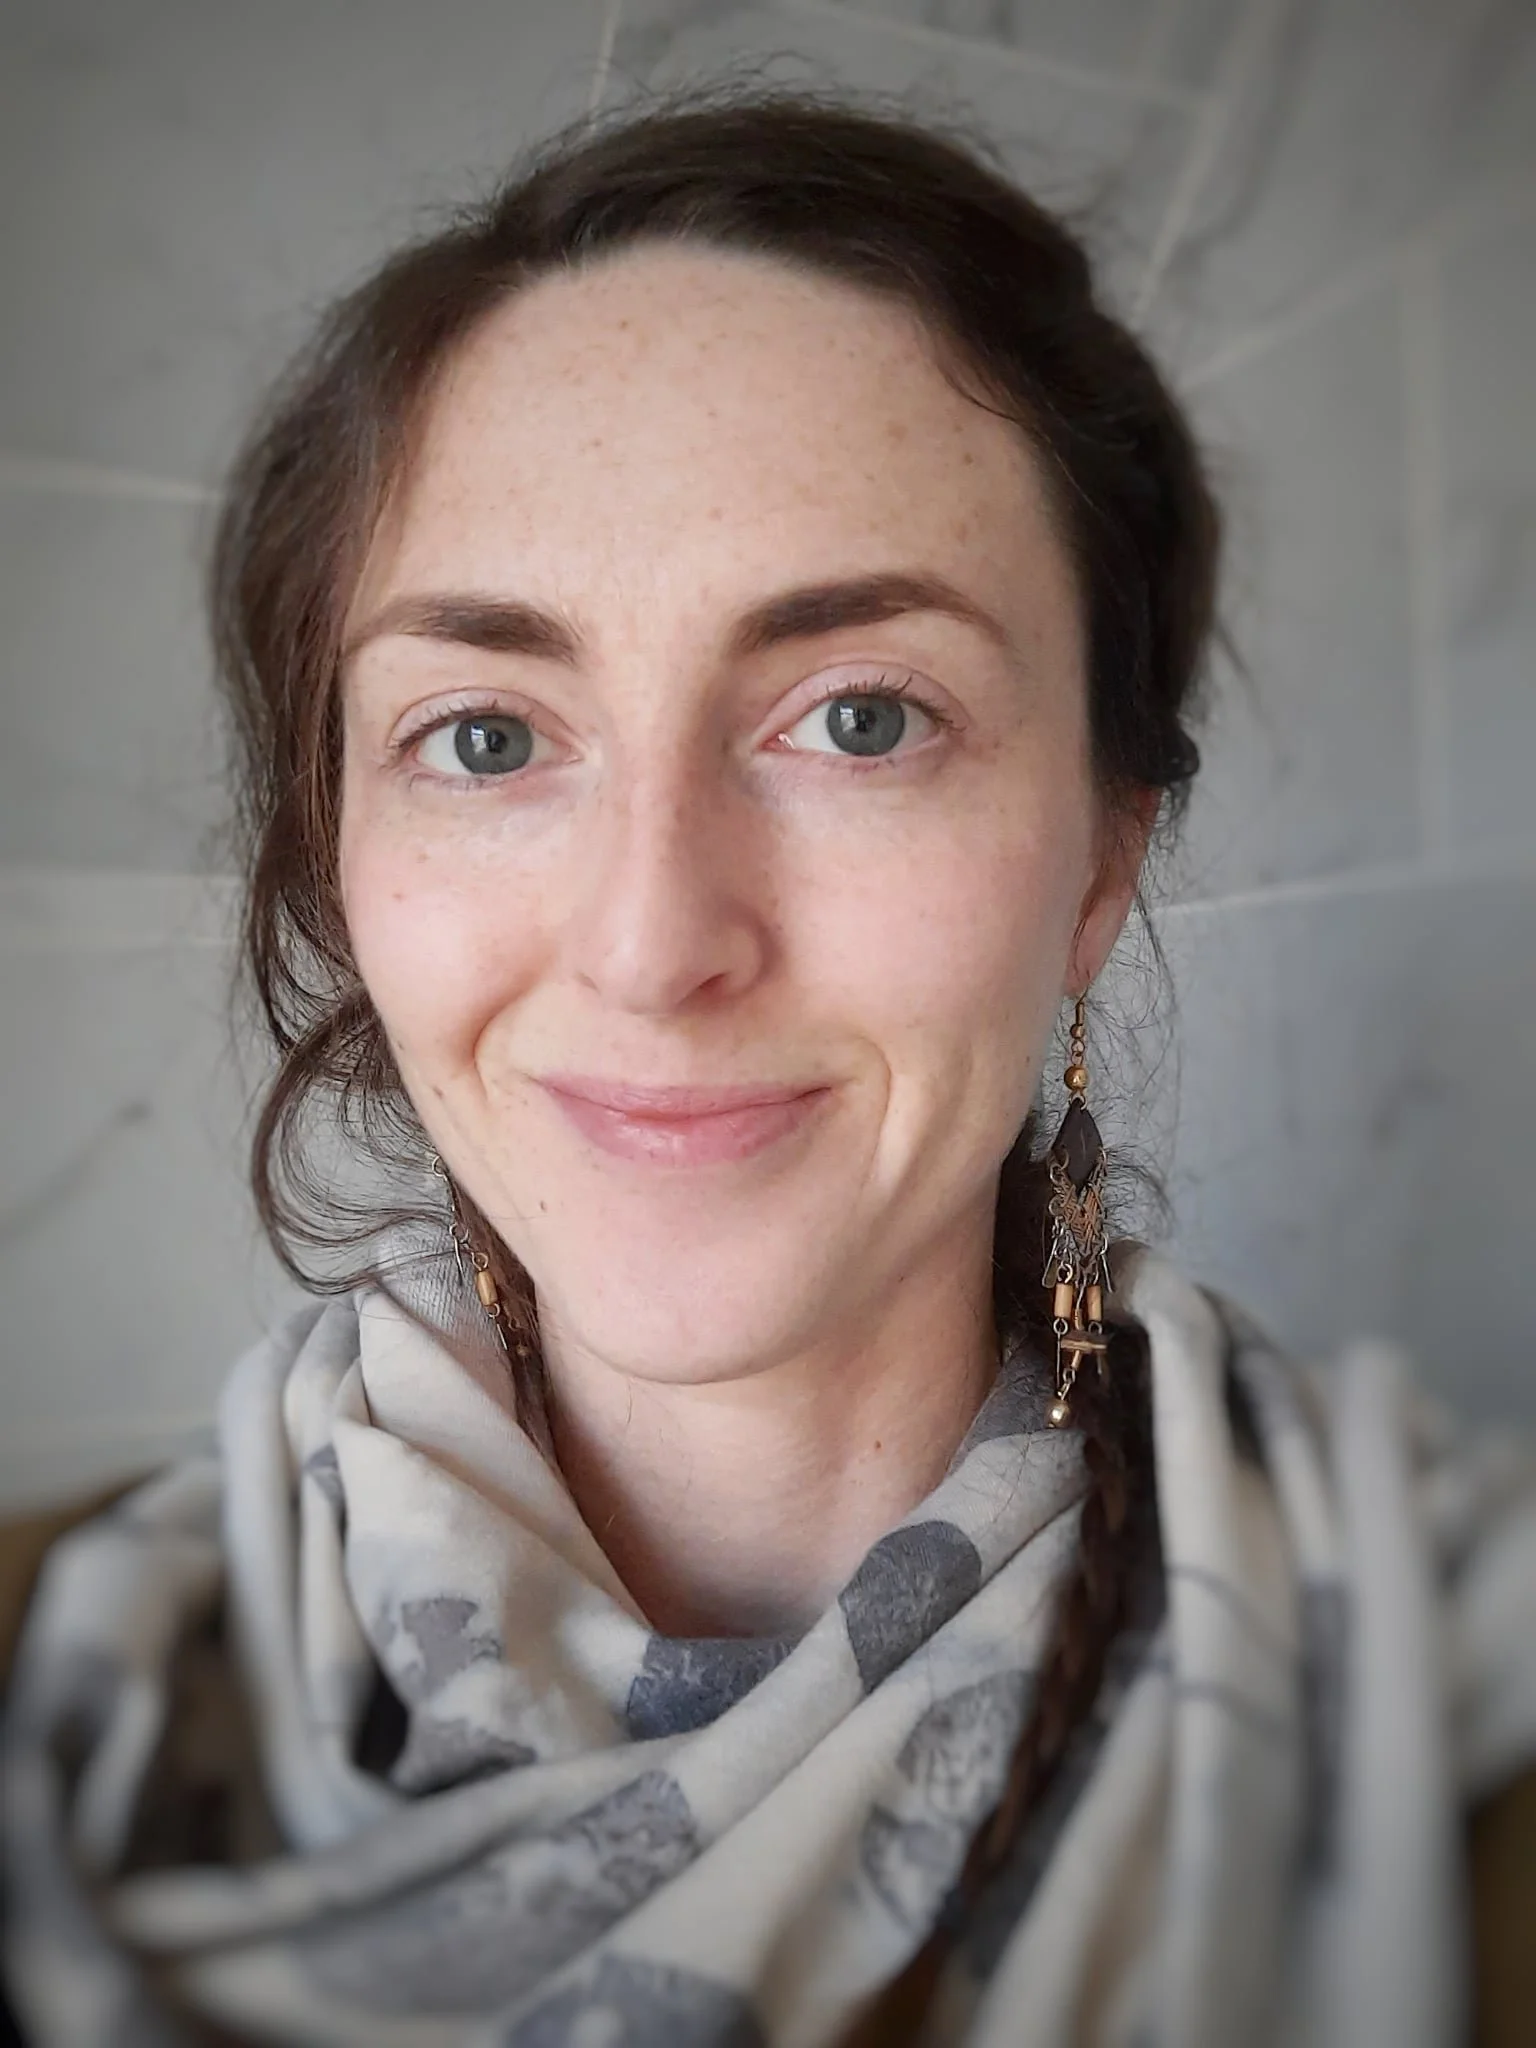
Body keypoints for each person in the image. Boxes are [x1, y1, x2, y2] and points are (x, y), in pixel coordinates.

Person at [2, 86, 1534, 2048]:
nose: (654, 945)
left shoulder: (1456, 1717)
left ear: (1099, 861)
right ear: (345, 857)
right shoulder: (64, 1697)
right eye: (485, 736)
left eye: (862, 718)